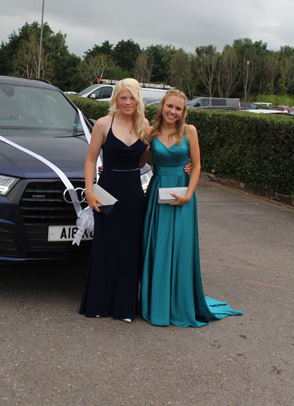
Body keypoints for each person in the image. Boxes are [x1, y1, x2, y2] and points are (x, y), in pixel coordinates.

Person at [141, 89, 243, 327]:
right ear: (162, 106)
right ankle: (157, 304)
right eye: (170, 106)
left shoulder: (189, 131)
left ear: (183, 111)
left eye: (178, 108)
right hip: (157, 194)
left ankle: (180, 303)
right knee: (157, 247)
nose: (173, 111)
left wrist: (188, 193)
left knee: (180, 248)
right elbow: (141, 161)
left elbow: (196, 166)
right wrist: (108, 167)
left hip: (183, 195)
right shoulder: (150, 133)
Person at [79, 79, 150, 322]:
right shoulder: (103, 123)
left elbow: (145, 159)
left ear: (138, 100)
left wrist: (184, 165)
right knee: (105, 246)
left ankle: (124, 307)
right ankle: (98, 303)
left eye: (132, 98)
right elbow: (91, 160)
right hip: (107, 190)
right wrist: (89, 190)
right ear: (116, 99)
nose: (128, 102)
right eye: (123, 97)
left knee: (130, 248)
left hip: (133, 192)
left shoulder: (144, 124)